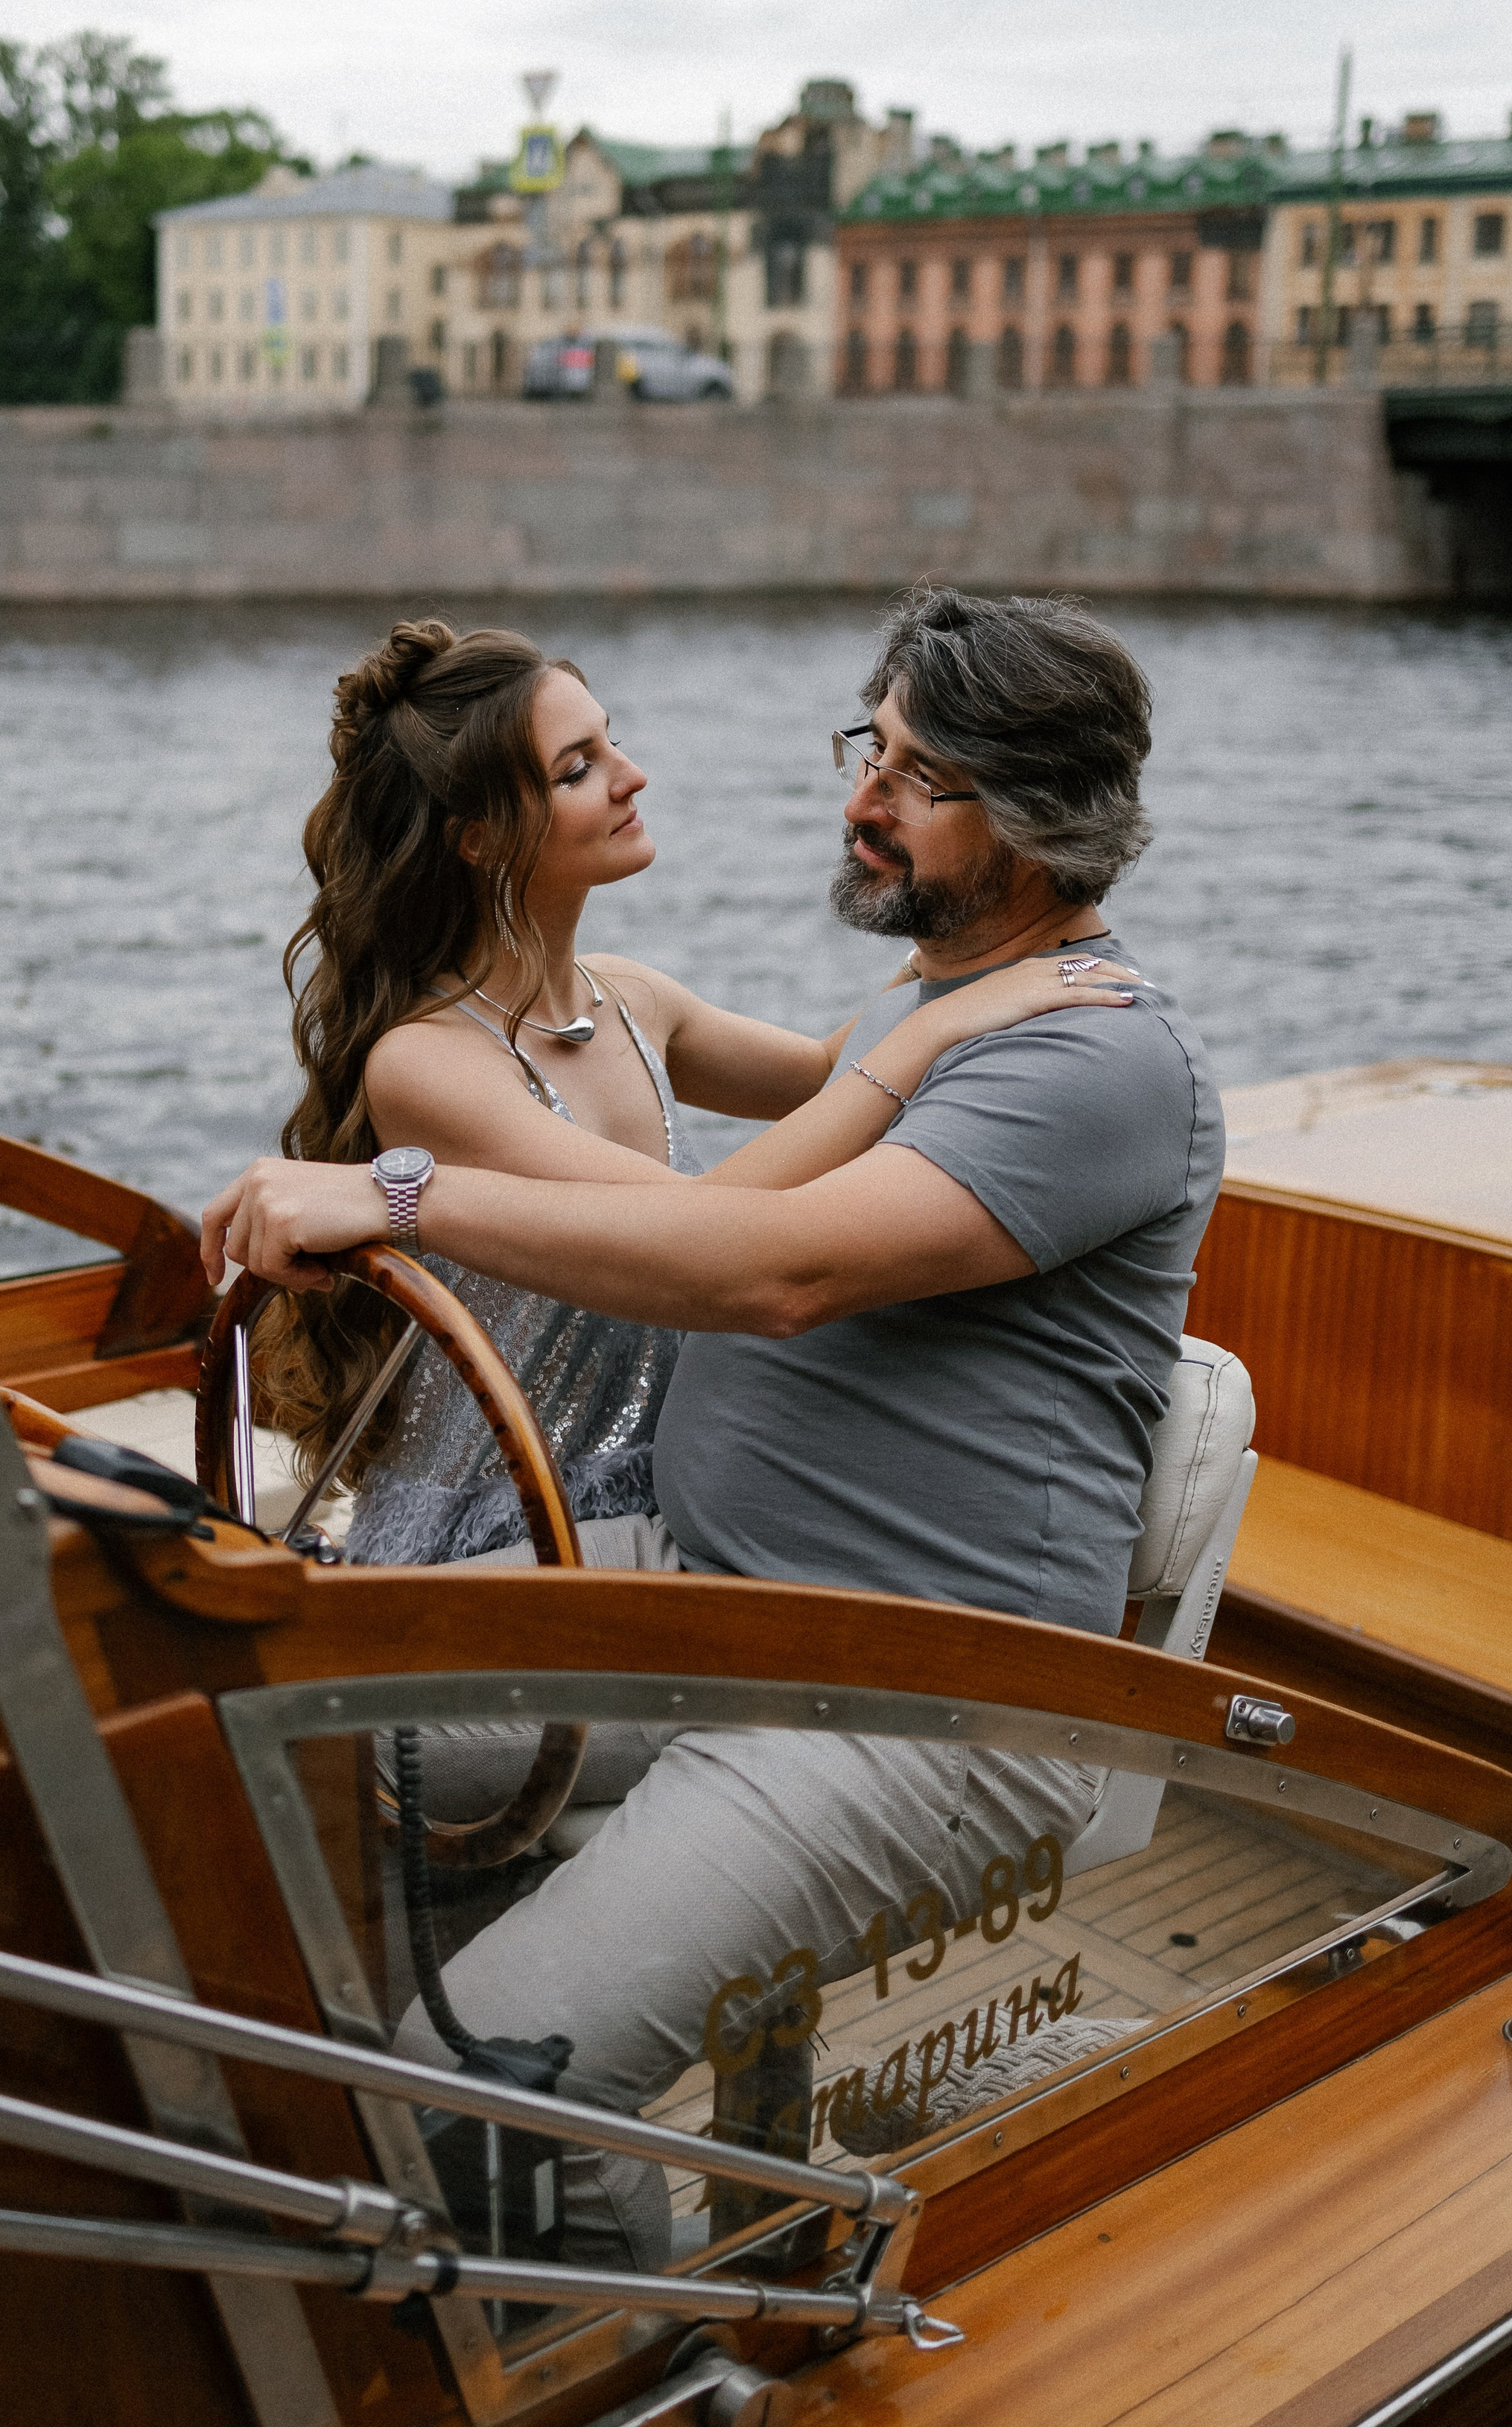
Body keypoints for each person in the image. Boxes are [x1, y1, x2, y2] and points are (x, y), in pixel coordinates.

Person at [203, 588, 1220, 2265]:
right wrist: (913, 1037)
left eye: (914, 776)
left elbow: (761, 1270)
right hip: (719, 1585)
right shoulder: (939, 1000)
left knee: (479, 2092)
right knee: (268, 1727)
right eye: (866, 750)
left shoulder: (1087, 1058)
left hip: (915, 1692)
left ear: (1033, 823)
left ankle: (654, 2342)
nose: (858, 800)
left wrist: (391, 1188)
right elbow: (765, 1178)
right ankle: (407, 2114)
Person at [239, 614, 1137, 1564]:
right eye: (576, 768)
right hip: (506, 1515)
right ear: (479, 840)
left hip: (655, 1490)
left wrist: (975, 951)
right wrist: (938, 1025)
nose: (631, 776)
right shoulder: (428, 1062)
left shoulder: (631, 998)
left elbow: (823, 1076)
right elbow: (704, 1228)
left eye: (611, 739)